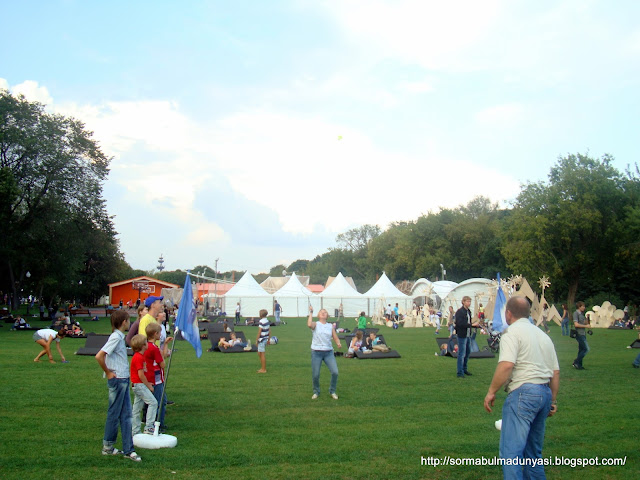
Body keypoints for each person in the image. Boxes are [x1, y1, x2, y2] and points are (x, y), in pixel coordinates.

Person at [484, 296, 559, 479]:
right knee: (533, 455)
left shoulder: (511, 333)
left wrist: (491, 392)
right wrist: (553, 401)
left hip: (523, 393)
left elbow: (507, 365)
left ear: (508, 314)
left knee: (511, 455)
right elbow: (555, 373)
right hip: (544, 393)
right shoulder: (543, 336)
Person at [95, 310, 141, 461]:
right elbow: (99, 355)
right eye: (128, 320)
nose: (130, 322)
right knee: (115, 414)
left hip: (123, 379)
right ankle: (110, 447)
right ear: (123, 322)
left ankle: (127, 449)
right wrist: (108, 373)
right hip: (118, 380)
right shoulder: (115, 337)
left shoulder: (119, 337)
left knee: (126, 415)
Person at [307, 305, 341, 399]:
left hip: (328, 352)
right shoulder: (316, 324)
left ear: (327, 316)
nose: (323, 312)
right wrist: (311, 312)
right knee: (316, 374)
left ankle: (332, 391)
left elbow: (335, 337)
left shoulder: (330, 326)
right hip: (316, 352)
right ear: (318, 315)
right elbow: (309, 324)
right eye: (321, 311)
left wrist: (338, 343)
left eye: (325, 312)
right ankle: (316, 391)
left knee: (335, 372)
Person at [144, 323, 172, 433]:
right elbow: (162, 363)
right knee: (158, 402)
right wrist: (163, 361)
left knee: (160, 400)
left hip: (152, 378)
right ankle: (157, 424)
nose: (161, 334)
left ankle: (157, 422)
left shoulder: (147, 345)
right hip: (156, 379)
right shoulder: (154, 348)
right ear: (155, 334)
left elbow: (162, 355)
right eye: (160, 333)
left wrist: (165, 344)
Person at [129, 334, 157, 435]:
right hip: (139, 385)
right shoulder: (138, 358)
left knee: (137, 408)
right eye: (146, 343)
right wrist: (148, 386)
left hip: (137, 385)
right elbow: (140, 375)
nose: (147, 344)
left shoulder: (140, 356)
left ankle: (135, 430)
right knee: (153, 403)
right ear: (142, 346)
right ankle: (149, 426)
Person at [454, 296, 480, 378]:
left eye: (470, 301)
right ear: (463, 302)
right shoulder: (460, 312)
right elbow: (460, 324)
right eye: (468, 301)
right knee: (461, 354)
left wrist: (474, 326)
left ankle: (464, 369)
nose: (469, 303)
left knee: (467, 352)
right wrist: (471, 325)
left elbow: (468, 322)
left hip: (468, 335)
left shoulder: (468, 311)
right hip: (462, 335)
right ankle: (460, 372)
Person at [573, 301, 591, 370]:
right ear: (579, 307)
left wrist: (587, 318)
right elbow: (576, 324)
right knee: (586, 349)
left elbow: (584, 322)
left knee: (581, 350)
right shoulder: (576, 313)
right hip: (579, 334)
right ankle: (576, 361)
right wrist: (586, 326)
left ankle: (579, 365)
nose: (584, 307)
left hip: (583, 333)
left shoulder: (581, 314)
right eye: (583, 306)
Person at [256, 309, 270, 373]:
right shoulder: (267, 321)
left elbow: (259, 332)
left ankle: (263, 369)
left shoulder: (261, 321)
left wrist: (257, 340)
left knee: (262, 354)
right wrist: (268, 339)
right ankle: (262, 368)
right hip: (265, 338)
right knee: (259, 353)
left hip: (261, 339)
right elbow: (269, 330)